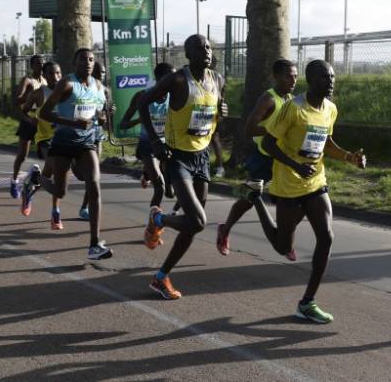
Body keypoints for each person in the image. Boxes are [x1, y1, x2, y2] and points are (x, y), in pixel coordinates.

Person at [251, 60, 365, 324]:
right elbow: (268, 143)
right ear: (311, 80)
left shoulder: (330, 109)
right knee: (282, 246)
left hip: (315, 182)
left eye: (333, 77)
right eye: (325, 77)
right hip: (289, 184)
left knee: (326, 237)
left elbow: (326, 142)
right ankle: (255, 198)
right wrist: (294, 165)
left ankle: (307, 302)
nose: (331, 81)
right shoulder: (293, 108)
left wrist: (349, 157)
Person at [139, 35, 226, 300]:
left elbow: (213, 115)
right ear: (188, 54)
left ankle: (161, 277)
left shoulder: (217, 79)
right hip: (177, 158)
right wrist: (155, 141)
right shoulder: (177, 80)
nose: (206, 51)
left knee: (191, 225)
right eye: (200, 47)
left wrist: (221, 111)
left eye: (209, 47)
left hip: (201, 157)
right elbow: (143, 101)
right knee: (198, 221)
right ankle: (158, 219)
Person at [216, 59, 298, 259]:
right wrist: (276, 130)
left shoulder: (292, 100)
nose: (293, 80)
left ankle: (286, 241)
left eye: (295, 76)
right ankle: (225, 230)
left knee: (291, 201)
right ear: (276, 76)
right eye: (288, 76)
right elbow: (249, 129)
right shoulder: (268, 99)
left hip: (282, 159)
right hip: (264, 158)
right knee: (249, 199)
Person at [36, 48, 113, 259]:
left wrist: (102, 119)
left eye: (91, 59)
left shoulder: (99, 87)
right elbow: (44, 113)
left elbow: (98, 115)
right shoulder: (67, 83)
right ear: (74, 63)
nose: (87, 63)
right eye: (82, 60)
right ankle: (38, 178)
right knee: (60, 192)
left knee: (94, 185)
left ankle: (94, 244)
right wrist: (73, 122)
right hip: (63, 142)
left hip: (86, 143)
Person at [119, 63, 176, 209]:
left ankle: (147, 173)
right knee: (160, 188)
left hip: (168, 145)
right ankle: (153, 222)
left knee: (171, 193)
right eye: (171, 77)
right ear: (160, 79)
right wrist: (140, 119)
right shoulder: (141, 96)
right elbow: (123, 124)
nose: (175, 81)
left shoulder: (176, 96)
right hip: (148, 145)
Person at [19, 61, 61, 229]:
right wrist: (32, 120)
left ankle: (31, 184)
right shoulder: (39, 93)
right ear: (44, 76)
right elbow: (24, 111)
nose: (55, 77)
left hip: (64, 138)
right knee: (57, 173)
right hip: (45, 139)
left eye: (58, 73)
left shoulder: (67, 91)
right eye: (51, 73)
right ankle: (55, 213)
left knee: (51, 176)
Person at [77, 61, 112, 221]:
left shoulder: (105, 90)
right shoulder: (83, 87)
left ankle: (85, 207)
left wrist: (109, 112)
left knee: (94, 174)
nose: (100, 75)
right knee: (82, 174)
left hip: (97, 133)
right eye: (98, 72)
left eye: (103, 72)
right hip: (81, 133)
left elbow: (105, 113)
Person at [10, 55, 46, 199]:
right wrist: (30, 96)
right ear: (32, 66)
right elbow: (17, 101)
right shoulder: (27, 80)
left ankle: (33, 179)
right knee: (22, 155)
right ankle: (14, 181)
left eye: (42, 63)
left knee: (48, 154)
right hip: (28, 120)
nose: (41, 66)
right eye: (37, 64)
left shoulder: (45, 80)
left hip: (42, 122)